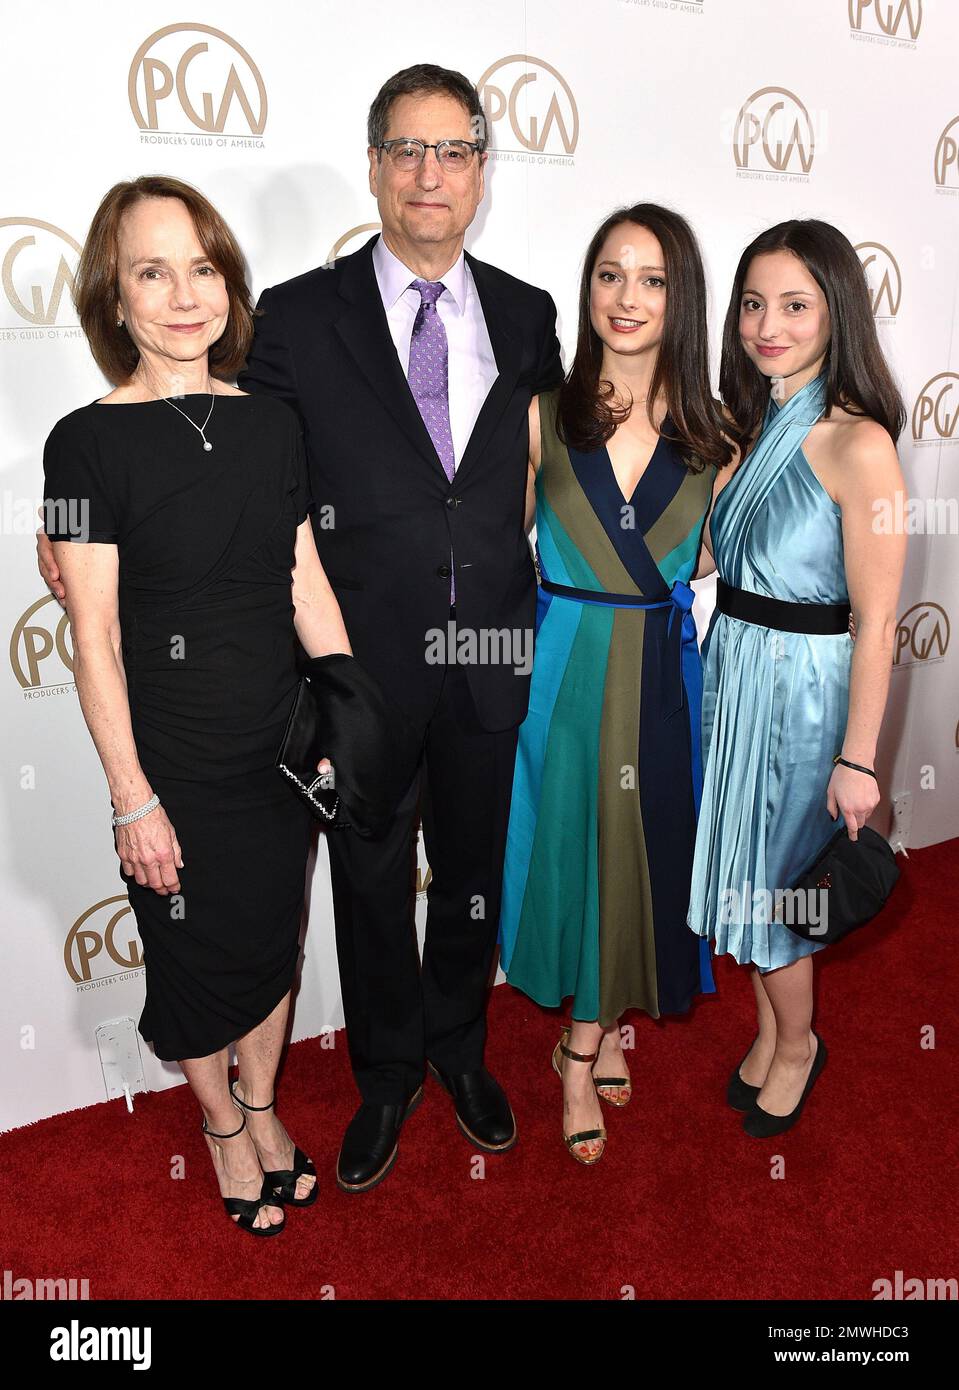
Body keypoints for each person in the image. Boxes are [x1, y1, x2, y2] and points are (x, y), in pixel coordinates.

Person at [234, 64, 565, 1192]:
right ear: (375, 166)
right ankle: (386, 1075)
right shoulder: (292, 316)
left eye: (454, 152)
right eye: (407, 152)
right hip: (358, 670)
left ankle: (459, 1048)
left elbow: (560, 468)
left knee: (470, 868)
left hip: (487, 656)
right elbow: (257, 491)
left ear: (480, 171)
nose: (431, 175)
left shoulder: (526, 314)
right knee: (367, 881)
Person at [38, 176, 351, 1234]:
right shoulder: (83, 444)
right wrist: (132, 796)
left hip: (279, 742)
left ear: (229, 283)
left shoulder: (271, 426)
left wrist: (351, 707)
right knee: (187, 957)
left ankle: (261, 1105)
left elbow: (302, 576)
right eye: (152, 271)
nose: (184, 295)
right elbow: (92, 639)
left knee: (273, 939)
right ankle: (219, 1123)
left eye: (203, 268)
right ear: (113, 298)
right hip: (170, 758)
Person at [499, 205, 734, 1162]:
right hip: (562, 670)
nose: (626, 298)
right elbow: (484, 548)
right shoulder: (538, 414)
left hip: (659, 674)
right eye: (609, 274)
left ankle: (585, 1037)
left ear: (680, 298)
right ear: (587, 286)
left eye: (651, 279)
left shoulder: (716, 439)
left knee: (637, 853)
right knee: (573, 849)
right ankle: (581, 1045)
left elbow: (735, 562)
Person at [687, 219, 906, 1136]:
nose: (766, 324)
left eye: (794, 304)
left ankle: (797, 1045)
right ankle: (772, 1027)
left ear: (835, 314)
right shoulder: (749, 426)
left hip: (804, 694)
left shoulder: (861, 447)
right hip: (729, 673)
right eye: (751, 304)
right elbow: (703, 560)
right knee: (741, 871)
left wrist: (857, 761)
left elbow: (879, 620)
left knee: (781, 889)